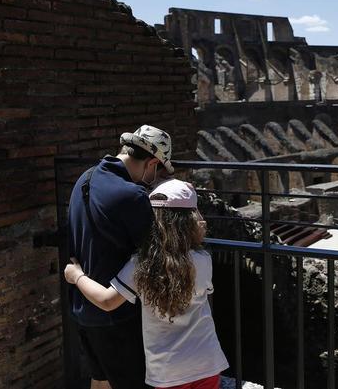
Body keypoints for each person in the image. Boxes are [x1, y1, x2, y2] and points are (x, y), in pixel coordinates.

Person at [65, 179, 229, 389]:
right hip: (206, 362)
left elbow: (106, 301)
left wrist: (76, 276)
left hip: (167, 370)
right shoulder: (202, 260)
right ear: (191, 221)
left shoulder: (142, 264)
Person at [67, 124, 175, 389]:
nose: (156, 177)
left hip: (83, 307)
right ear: (151, 163)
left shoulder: (86, 178)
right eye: (159, 170)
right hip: (117, 314)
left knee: (100, 380)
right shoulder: (133, 196)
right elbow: (154, 252)